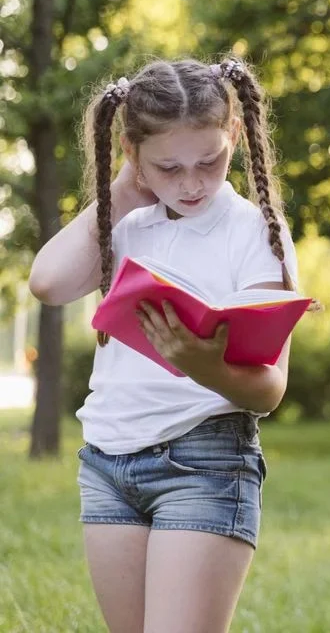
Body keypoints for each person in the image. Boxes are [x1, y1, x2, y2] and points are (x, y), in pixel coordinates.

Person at [28, 57, 301, 633]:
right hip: (107, 458)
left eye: (210, 162)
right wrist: (126, 191)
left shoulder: (255, 233)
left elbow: (269, 389)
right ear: (133, 154)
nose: (192, 183)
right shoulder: (128, 223)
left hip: (203, 460)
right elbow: (48, 282)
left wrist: (201, 365)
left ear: (233, 134)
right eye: (168, 167)